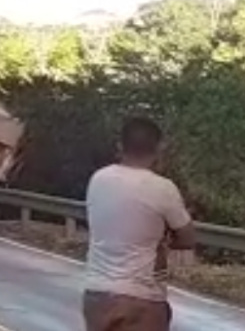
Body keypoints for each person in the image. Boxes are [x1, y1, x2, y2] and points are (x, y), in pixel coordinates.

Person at [83, 116, 196, 331]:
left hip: (97, 295)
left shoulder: (98, 179)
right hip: (142, 297)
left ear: (120, 146)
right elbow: (188, 238)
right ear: (159, 148)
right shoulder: (163, 188)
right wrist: (163, 243)